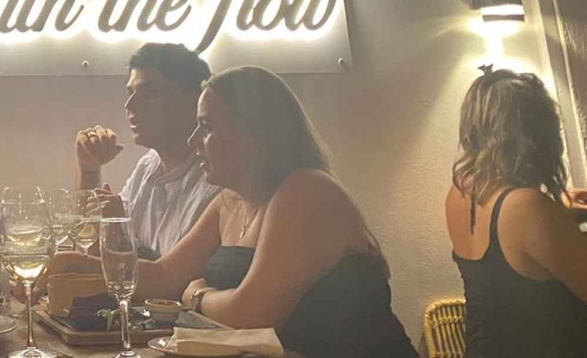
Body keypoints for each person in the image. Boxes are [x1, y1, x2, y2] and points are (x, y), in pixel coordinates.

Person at [49, 65, 415, 358]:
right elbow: (163, 277)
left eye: (206, 128)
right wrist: (74, 263)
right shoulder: (229, 202)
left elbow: (251, 315)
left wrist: (197, 296)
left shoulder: (306, 191)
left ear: (255, 134)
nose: (194, 142)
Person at [445, 67, 587, 358]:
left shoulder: (460, 193)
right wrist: (552, 215)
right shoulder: (530, 207)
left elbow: (510, 254)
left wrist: (558, 211)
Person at [73, 42, 220, 258]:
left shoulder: (218, 181)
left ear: (195, 101)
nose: (130, 105)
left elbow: (175, 275)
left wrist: (118, 231)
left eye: (151, 93)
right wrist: (89, 171)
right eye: (130, 93)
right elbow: (93, 251)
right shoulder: (148, 165)